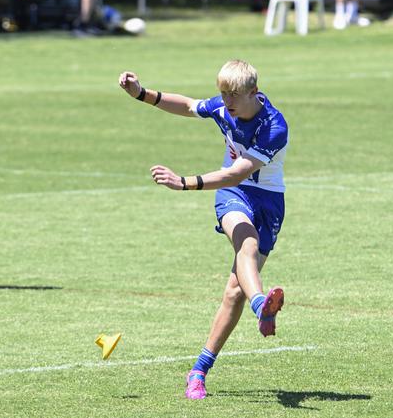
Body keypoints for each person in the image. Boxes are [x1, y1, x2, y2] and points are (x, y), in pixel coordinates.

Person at [118, 60, 287, 400]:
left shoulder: (274, 125)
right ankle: (261, 307)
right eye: (223, 94)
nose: (226, 102)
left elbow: (237, 172)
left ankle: (198, 370)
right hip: (233, 196)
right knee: (246, 242)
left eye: (234, 95)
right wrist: (142, 94)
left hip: (267, 199)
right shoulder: (225, 106)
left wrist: (185, 183)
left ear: (254, 92)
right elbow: (189, 105)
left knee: (232, 292)